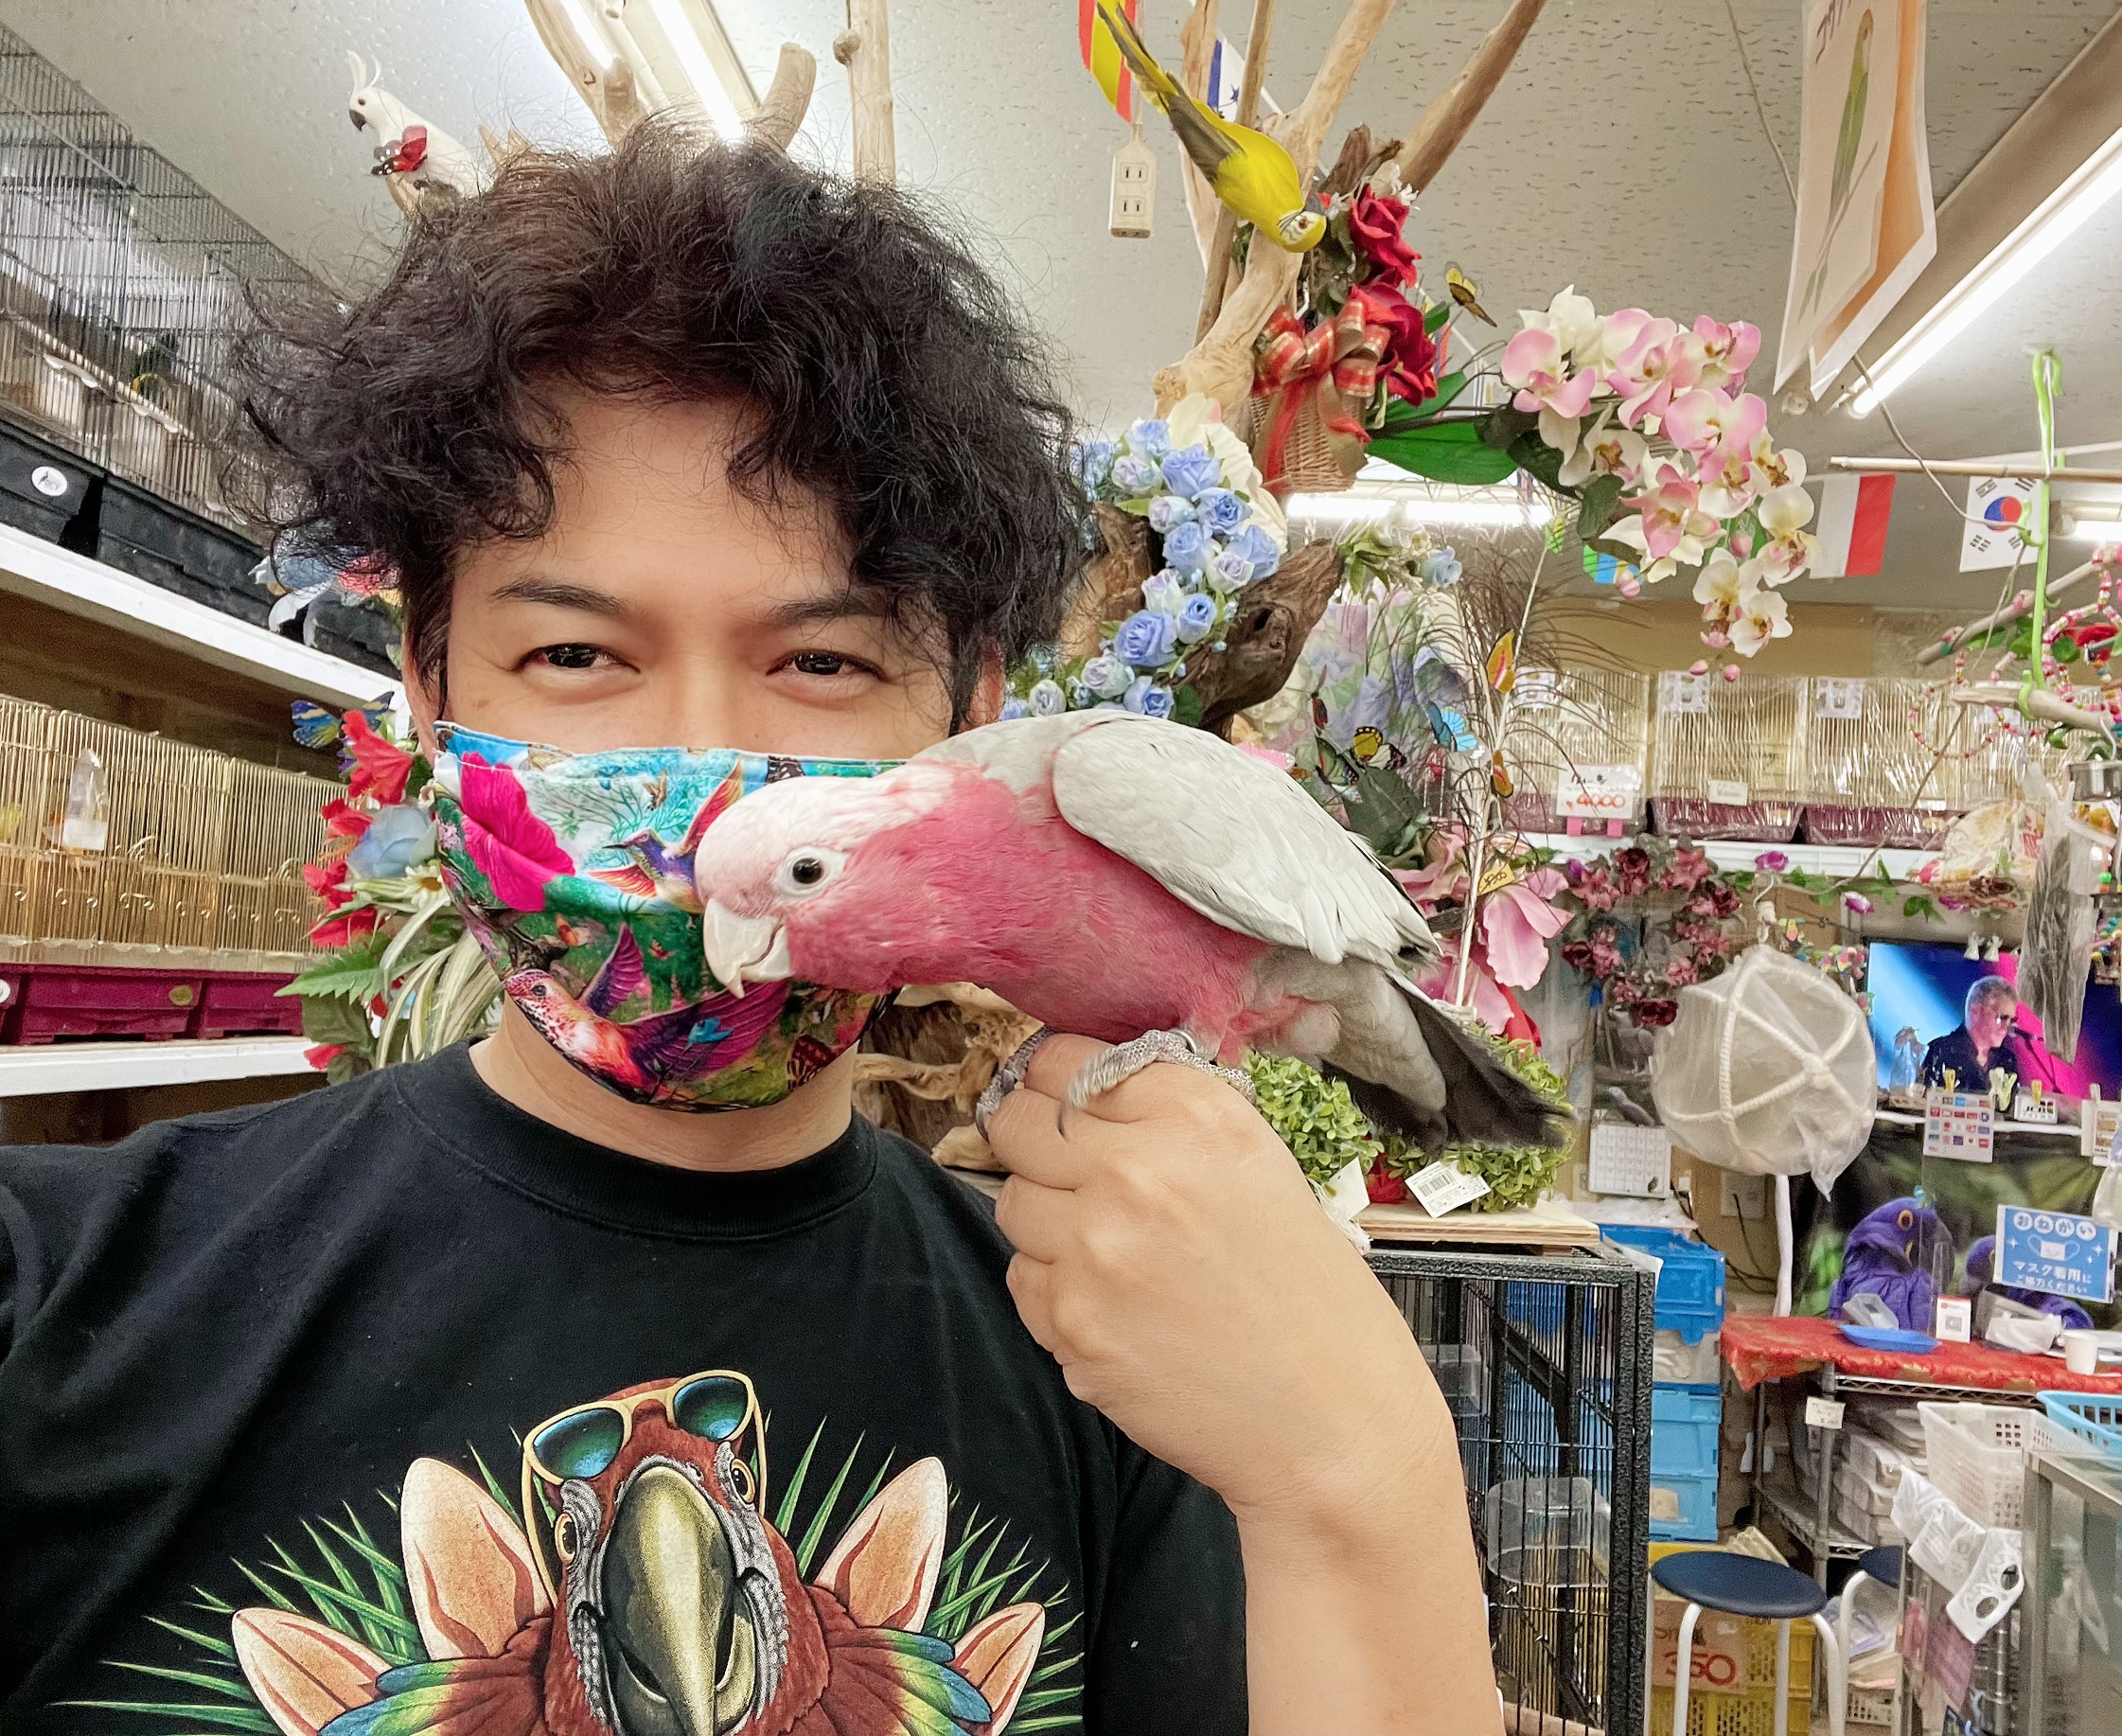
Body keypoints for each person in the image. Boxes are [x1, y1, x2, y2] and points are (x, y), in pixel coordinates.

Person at [0, 124, 1497, 1735]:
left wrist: (1365, 1480)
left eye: (822, 664)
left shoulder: (1130, 1366)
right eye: (577, 656)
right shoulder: (54, 1303)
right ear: (427, 688)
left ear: (973, 720)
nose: (702, 771)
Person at [1920, 975, 2025, 1094]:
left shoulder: (2006, 1060)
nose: (2007, 1026)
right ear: (1975, 1011)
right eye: (2002, 1018)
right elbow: (1924, 1099)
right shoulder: (1940, 1051)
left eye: (2012, 1020)